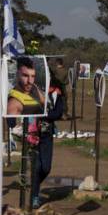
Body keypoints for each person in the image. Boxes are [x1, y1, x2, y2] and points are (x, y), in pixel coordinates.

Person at [29, 75, 66, 207]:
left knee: (46, 167)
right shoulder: (32, 90)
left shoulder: (56, 93)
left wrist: (44, 114)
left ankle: (34, 185)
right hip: (32, 133)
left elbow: (58, 113)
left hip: (47, 134)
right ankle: (34, 197)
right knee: (36, 167)